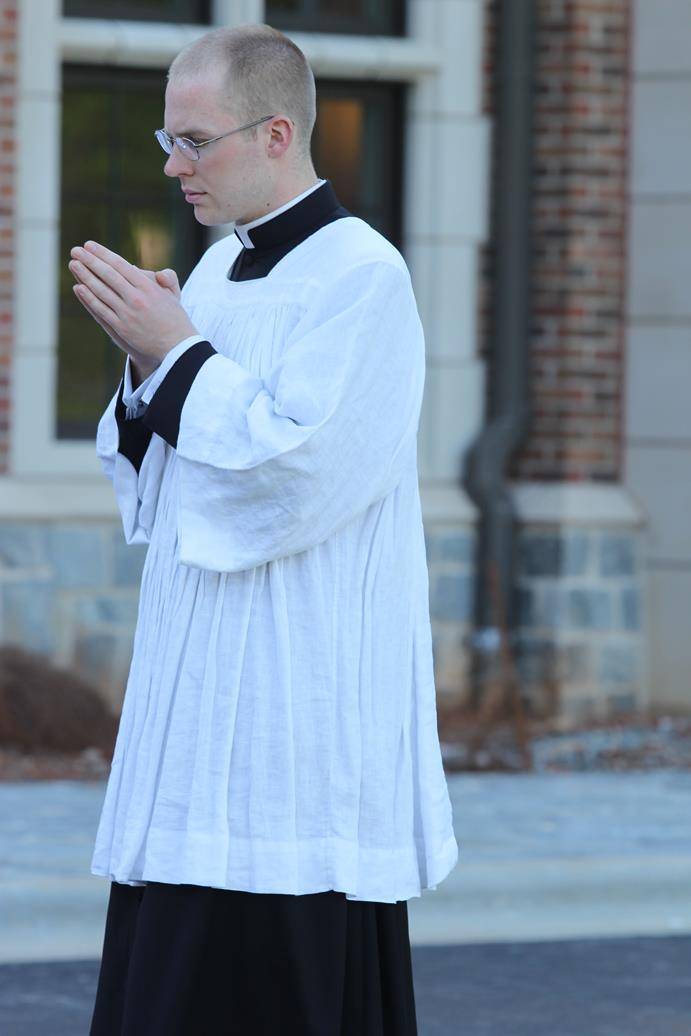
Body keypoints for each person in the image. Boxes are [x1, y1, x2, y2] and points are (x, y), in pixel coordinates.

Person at [71, 22, 459, 1036]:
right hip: (198, 695)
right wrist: (150, 355)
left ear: (278, 132)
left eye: (195, 140)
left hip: (298, 701)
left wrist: (178, 356)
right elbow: (172, 468)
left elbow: (298, 476)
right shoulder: (211, 272)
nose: (174, 164)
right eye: (167, 139)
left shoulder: (360, 278)